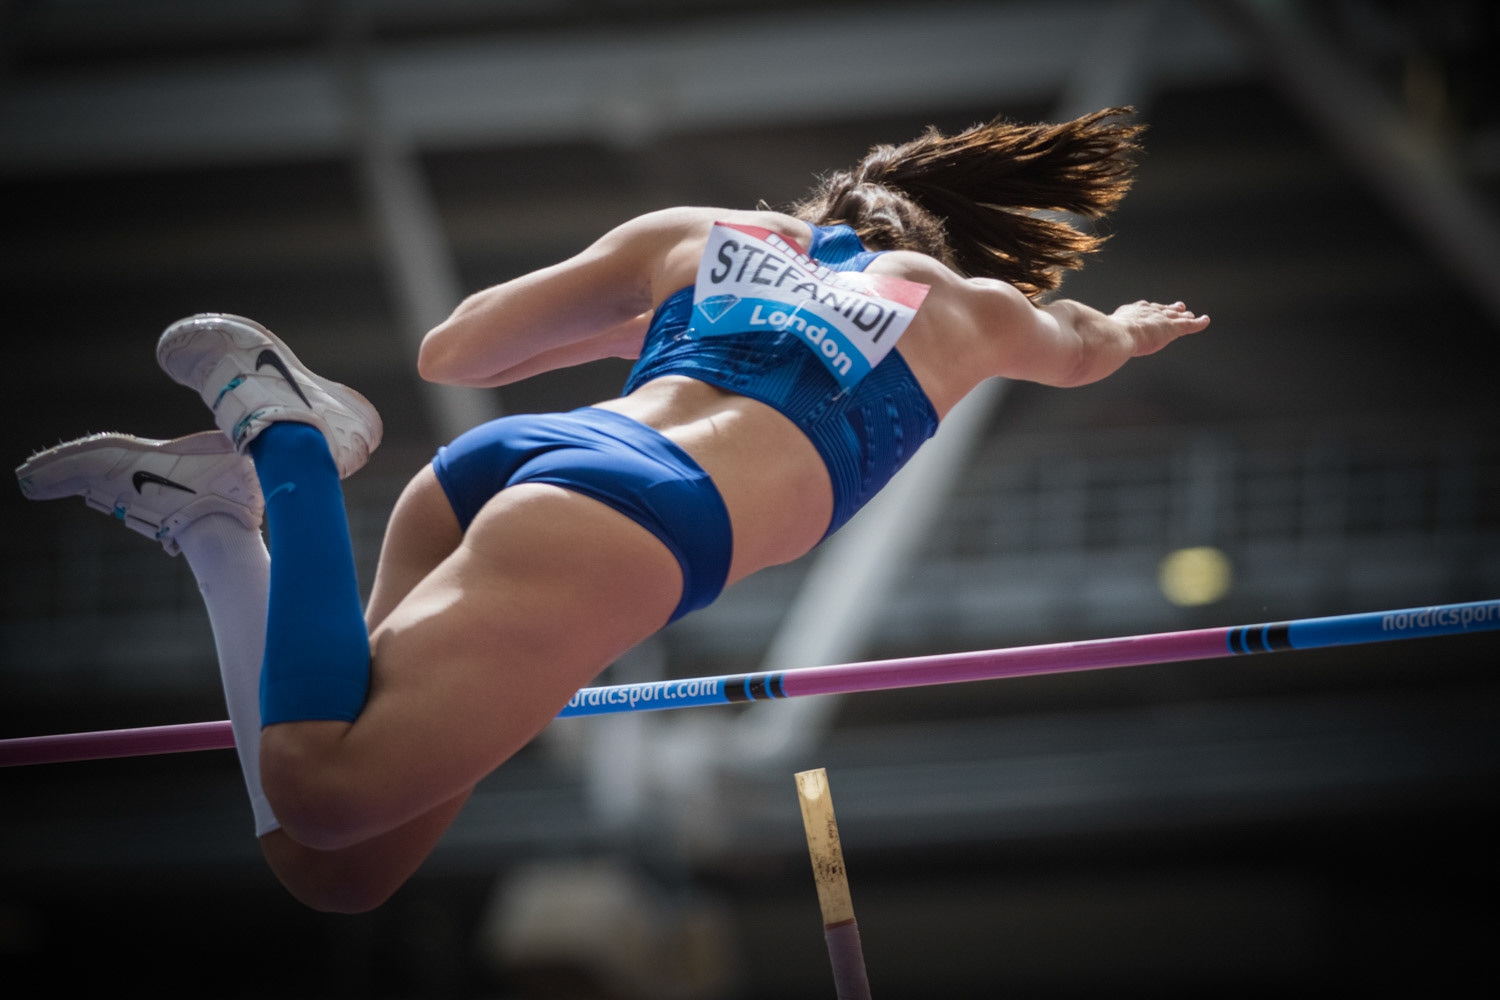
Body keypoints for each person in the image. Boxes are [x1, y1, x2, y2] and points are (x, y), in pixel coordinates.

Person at [16, 107, 1208, 912]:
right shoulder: (970, 306)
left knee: (335, 866)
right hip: (634, 520)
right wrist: (1133, 330)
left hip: (524, 462)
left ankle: (212, 525)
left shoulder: (699, 236)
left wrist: (660, 318)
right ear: (943, 234)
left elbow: (454, 347)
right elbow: (1084, 345)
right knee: (325, 789)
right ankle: (286, 445)